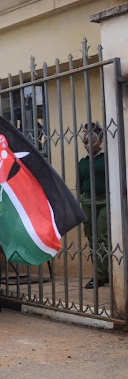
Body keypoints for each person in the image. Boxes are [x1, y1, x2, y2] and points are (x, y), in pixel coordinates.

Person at [78, 122, 109, 289]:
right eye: (85, 143)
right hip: (87, 201)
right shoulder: (82, 162)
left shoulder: (106, 159)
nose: (88, 146)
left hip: (104, 200)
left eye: (92, 142)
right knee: (91, 236)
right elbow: (80, 183)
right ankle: (101, 271)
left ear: (101, 141)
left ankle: (101, 276)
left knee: (102, 236)